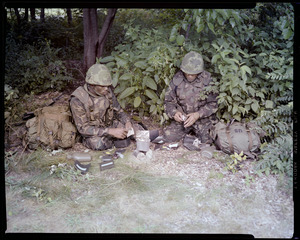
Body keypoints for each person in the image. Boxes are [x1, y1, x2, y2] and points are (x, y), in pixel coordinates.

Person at [70, 63, 134, 150]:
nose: (107, 89)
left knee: (132, 129)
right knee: (99, 144)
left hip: (107, 125)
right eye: (103, 86)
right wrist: (110, 132)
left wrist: (127, 122)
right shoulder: (78, 99)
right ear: (92, 85)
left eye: (107, 86)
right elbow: (83, 129)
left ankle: (123, 136)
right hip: (92, 132)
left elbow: (119, 111)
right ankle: (115, 139)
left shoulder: (107, 93)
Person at [163, 51, 218, 145]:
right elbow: (168, 102)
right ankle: (188, 134)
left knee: (209, 140)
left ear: (199, 72)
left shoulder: (207, 80)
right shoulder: (177, 79)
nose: (189, 76)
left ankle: (195, 134)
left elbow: (214, 104)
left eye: (193, 74)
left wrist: (198, 114)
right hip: (183, 119)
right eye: (187, 73)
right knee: (168, 136)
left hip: (201, 119)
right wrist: (174, 113)